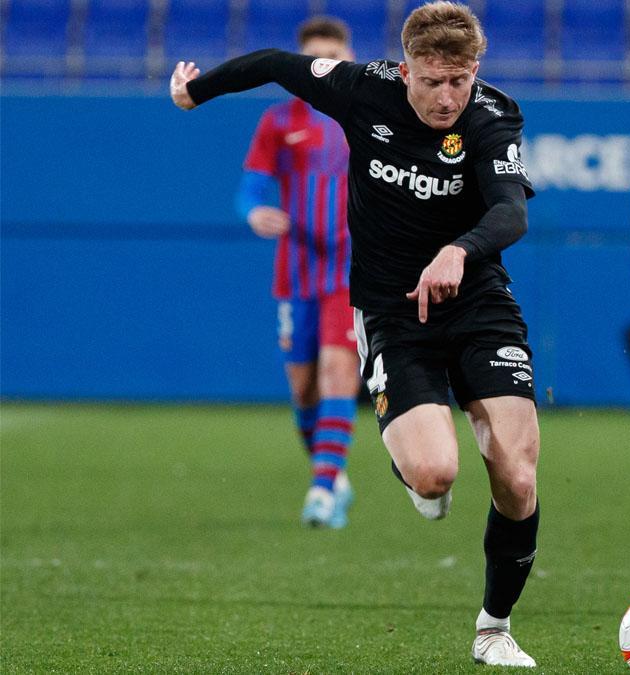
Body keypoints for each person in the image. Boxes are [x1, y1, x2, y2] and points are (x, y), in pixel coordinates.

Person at [171, 2, 542, 667]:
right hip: (392, 313)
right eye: (432, 81)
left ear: (475, 70)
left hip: (479, 303)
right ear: (406, 70)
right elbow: (277, 65)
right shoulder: (360, 88)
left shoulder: (492, 116)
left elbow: (510, 209)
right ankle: (413, 464)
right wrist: (196, 90)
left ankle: (493, 627)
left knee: (516, 475)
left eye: (459, 80)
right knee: (434, 476)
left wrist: (460, 249)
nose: (447, 96)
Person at [237, 16, 360, 530]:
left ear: (349, 57)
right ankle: (330, 470)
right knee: (303, 391)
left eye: (333, 55)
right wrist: (252, 211)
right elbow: (251, 185)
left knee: (337, 375)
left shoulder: (372, 118)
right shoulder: (278, 121)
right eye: (315, 58)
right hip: (296, 269)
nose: (324, 66)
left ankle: (322, 488)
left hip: (354, 268)